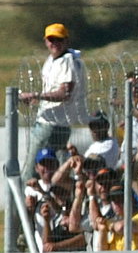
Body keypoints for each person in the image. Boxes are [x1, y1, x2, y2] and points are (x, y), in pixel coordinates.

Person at [18, 23, 88, 161]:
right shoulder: (52, 60)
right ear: (45, 41)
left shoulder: (67, 61)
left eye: (59, 39)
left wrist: (36, 95)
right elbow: (51, 91)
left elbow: (64, 93)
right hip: (52, 121)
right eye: (51, 39)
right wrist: (36, 100)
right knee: (51, 172)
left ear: (66, 41)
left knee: (32, 169)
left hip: (52, 124)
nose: (55, 43)